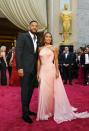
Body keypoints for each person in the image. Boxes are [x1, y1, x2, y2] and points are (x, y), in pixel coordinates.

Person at [36, 32, 89, 124]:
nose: (48, 38)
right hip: (43, 71)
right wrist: (38, 72)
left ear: (51, 39)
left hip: (52, 70)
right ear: (44, 38)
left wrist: (57, 71)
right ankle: (45, 111)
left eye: (50, 37)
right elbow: (38, 61)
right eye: (46, 37)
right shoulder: (40, 48)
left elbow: (56, 60)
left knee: (53, 91)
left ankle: (53, 110)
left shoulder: (54, 48)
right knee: (44, 90)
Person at [16, 20, 38, 124]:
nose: (34, 27)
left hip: (33, 69)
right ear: (29, 26)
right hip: (24, 69)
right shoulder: (22, 36)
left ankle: (27, 109)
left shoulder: (37, 38)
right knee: (25, 91)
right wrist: (19, 67)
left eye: (36, 26)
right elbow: (18, 52)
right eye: (32, 25)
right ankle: (24, 114)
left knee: (30, 91)